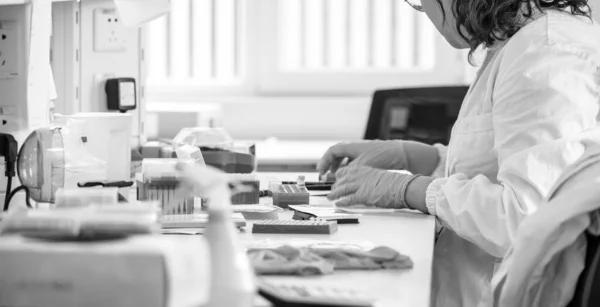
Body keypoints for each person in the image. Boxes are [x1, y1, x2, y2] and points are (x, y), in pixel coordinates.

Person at [317, 0, 600, 306]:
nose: (423, 9)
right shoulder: (523, 41)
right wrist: (418, 156)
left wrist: (409, 189)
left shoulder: (545, 54)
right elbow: (497, 164)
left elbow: (523, 218)